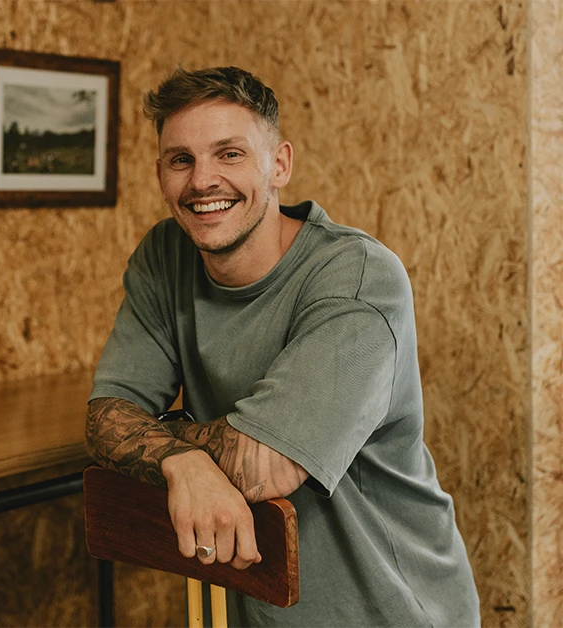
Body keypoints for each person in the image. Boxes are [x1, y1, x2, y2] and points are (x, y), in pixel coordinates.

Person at [85, 66, 480, 626]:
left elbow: (263, 469)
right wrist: (182, 460)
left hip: (387, 609)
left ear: (280, 165)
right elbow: (106, 416)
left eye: (230, 154)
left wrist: (171, 440)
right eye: (182, 160)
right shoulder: (163, 257)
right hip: (262, 604)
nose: (202, 181)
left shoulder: (358, 277)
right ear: (161, 174)